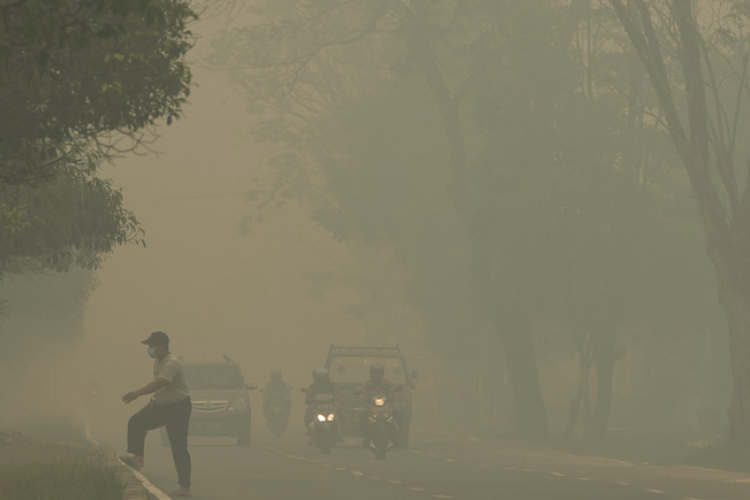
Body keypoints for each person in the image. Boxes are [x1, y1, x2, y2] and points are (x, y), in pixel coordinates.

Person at [120, 331, 192, 498]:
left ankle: (185, 486)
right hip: (163, 406)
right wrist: (153, 400)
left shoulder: (172, 363)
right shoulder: (158, 362)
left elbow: (160, 382)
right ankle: (138, 457)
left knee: (178, 446)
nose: (149, 350)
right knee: (137, 421)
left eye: (151, 346)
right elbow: (160, 388)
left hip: (179, 408)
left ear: (160, 346)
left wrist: (137, 393)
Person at [359, 363, 396, 447]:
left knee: (398, 412)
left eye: (378, 373)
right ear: (371, 374)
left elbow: (392, 392)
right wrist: (362, 397)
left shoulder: (387, 382)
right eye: (375, 373)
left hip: (385, 406)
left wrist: (394, 396)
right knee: (362, 414)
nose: (376, 375)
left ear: (382, 373)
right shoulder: (367, 383)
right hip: (371, 406)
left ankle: (396, 435)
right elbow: (362, 394)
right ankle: (365, 436)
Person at [303, 367, 337, 442]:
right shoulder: (313, 386)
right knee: (307, 416)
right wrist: (309, 400)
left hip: (331, 406)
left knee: (341, 414)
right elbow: (308, 396)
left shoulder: (331, 386)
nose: (322, 378)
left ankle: (340, 433)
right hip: (316, 407)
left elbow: (337, 394)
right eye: (320, 377)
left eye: (323, 376)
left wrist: (338, 399)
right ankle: (312, 433)